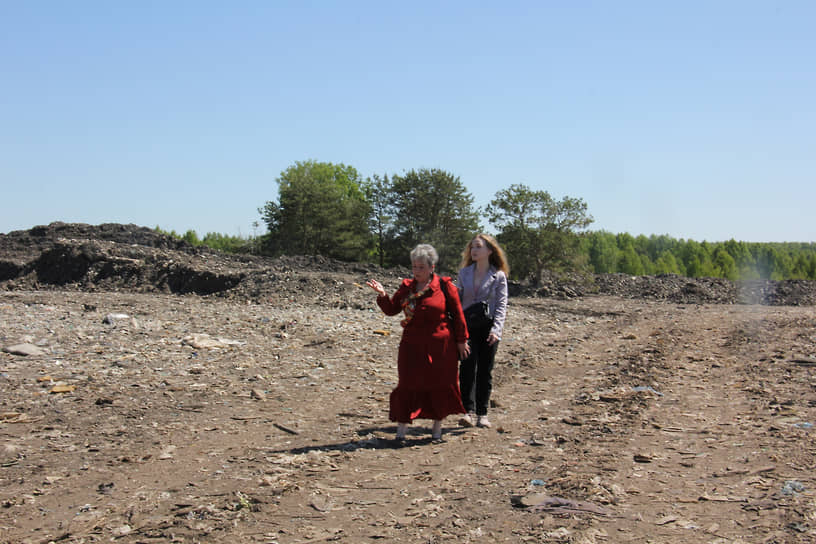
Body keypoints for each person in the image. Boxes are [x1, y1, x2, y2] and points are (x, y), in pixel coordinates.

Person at [366, 244, 470, 442]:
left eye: (421, 267)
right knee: (407, 384)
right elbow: (391, 310)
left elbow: (457, 315)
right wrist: (382, 294)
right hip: (411, 346)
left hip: (441, 347)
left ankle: (437, 430)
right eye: (414, 267)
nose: (417, 271)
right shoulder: (407, 287)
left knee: (440, 384)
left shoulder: (445, 287)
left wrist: (461, 341)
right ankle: (401, 431)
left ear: (432, 267)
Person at [456, 234, 509, 429]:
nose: (474, 250)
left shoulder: (499, 276)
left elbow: (502, 306)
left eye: (478, 247)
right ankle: (467, 412)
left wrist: (497, 330)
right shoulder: (464, 273)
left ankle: (482, 413)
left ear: (489, 250)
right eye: (472, 247)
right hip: (467, 325)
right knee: (467, 368)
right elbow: (457, 299)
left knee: (485, 371)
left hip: (489, 328)